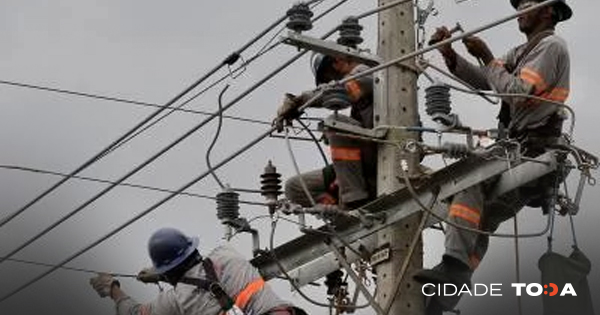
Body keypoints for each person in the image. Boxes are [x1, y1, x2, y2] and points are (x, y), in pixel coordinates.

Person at [414, 0, 572, 313]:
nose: (520, 10)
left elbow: (516, 93)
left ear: (548, 11)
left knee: (470, 177)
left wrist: (486, 55)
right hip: (523, 152)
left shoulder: (551, 46)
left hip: (533, 150)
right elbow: (488, 80)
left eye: (528, 3)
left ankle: (453, 268)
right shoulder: (524, 51)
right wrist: (451, 55)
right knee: (480, 220)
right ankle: (448, 291)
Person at [90, 228, 306, 315]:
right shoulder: (226, 252)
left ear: (169, 270)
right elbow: (202, 271)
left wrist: (113, 289)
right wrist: (161, 273)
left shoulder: (178, 299)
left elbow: (135, 313)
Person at [276, 53, 376, 210]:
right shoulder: (359, 94)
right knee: (294, 188)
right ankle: (336, 211)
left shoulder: (369, 71)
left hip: (384, 151)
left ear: (338, 61)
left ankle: (354, 200)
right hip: (362, 165)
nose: (331, 83)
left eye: (329, 78)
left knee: (337, 123)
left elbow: (343, 90)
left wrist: (300, 100)